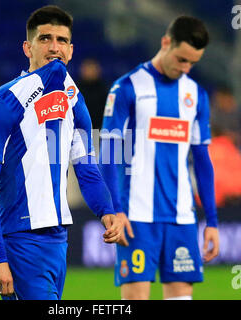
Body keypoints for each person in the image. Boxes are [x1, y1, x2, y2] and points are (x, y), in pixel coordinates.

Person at [0, 5, 123, 300]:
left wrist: (107, 210)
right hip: (21, 239)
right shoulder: (1, 101)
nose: (55, 47)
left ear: (71, 49)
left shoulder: (74, 101)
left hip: (58, 239)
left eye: (62, 40)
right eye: (45, 39)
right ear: (27, 47)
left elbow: (87, 168)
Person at [99, 16, 219, 300]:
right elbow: (109, 154)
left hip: (181, 217)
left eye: (192, 63)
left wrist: (212, 221)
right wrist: (116, 209)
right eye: (181, 59)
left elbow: (202, 161)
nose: (185, 68)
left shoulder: (195, 95)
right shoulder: (127, 88)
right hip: (135, 217)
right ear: (166, 42)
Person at [76, 58, 109, 130]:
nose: (90, 72)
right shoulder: (75, 90)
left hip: (98, 129)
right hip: (78, 130)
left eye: (92, 69)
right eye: (87, 69)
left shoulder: (104, 90)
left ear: (98, 70)